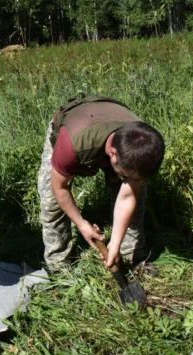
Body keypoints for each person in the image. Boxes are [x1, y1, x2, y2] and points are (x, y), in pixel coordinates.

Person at [38, 95, 164, 274]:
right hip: (76, 126)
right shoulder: (72, 144)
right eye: (127, 176)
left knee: (137, 196)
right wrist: (82, 224)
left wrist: (115, 243)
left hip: (111, 124)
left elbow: (128, 198)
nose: (130, 180)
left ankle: (131, 258)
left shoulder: (141, 144)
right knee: (51, 203)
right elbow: (60, 187)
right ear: (112, 155)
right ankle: (60, 268)